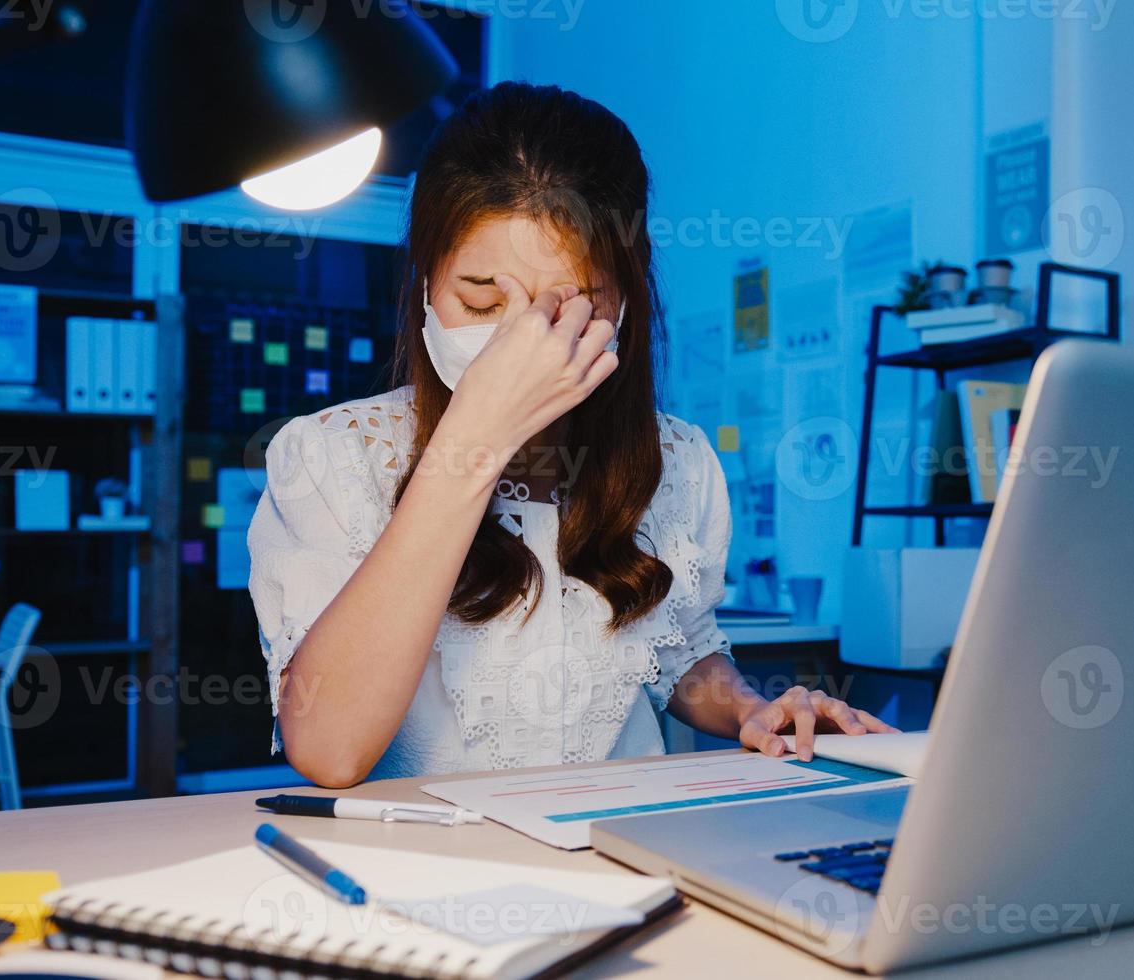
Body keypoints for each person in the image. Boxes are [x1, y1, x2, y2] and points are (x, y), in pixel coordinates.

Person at [247, 82, 895, 788]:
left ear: (625, 301)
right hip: (424, 866)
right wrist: (476, 440)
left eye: (570, 307)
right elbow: (328, 746)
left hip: (625, 847)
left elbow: (677, 649)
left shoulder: (677, 460)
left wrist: (750, 709)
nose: (519, 340)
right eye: (481, 300)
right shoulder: (331, 457)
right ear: (424, 283)